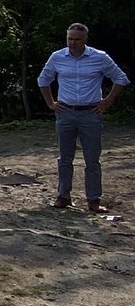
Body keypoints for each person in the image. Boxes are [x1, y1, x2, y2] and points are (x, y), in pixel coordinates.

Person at [37, 22, 129, 213]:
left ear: (85, 39)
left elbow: (121, 78)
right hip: (66, 112)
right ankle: (63, 196)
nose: (73, 43)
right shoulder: (57, 57)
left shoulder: (99, 57)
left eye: (77, 39)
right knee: (64, 158)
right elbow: (43, 79)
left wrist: (107, 101)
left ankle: (93, 199)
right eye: (70, 39)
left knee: (92, 159)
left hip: (90, 113)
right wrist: (51, 103)